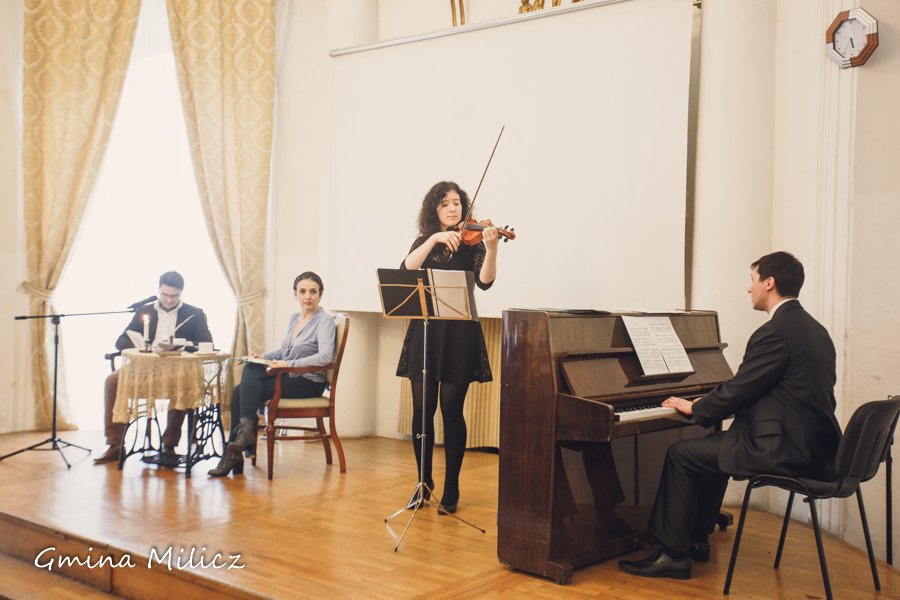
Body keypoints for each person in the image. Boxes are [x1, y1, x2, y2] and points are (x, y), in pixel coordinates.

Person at [618, 251, 842, 579]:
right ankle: (696, 540)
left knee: (682, 455)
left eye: (753, 280)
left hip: (783, 448)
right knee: (717, 448)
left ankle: (673, 555)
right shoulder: (815, 330)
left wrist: (696, 407)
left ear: (770, 282)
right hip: (810, 445)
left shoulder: (775, 332)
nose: (749, 288)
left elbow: (741, 388)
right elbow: (768, 389)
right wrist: (713, 401)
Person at [396, 181, 501, 514]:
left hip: (459, 335)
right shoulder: (424, 243)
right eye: (444, 204)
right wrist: (434, 239)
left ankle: (452, 487)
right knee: (422, 412)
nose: (452, 208)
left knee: (452, 411)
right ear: (434, 210)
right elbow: (405, 270)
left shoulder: (473, 243)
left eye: (456, 202)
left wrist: (492, 249)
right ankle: (423, 483)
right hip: (426, 333)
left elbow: (484, 282)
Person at [209, 272, 336, 477]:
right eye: (302, 291)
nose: (308, 296)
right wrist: (263, 357)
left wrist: (288, 364)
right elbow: (284, 350)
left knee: (242, 390)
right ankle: (242, 441)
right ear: (295, 294)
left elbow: (324, 358)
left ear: (321, 294)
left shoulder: (324, 322)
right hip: (288, 376)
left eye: (313, 292)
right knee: (245, 379)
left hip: (308, 382)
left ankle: (236, 451)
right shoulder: (295, 318)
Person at [94, 271, 213, 464]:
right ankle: (115, 445)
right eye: (165, 295)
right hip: (143, 368)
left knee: (184, 382)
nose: (168, 300)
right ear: (158, 290)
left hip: (176, 370)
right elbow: (121, 340)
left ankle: (169, 444)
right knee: (112, 381)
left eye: (174, 296)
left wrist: (184, 344)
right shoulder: (144, 310)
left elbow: (206, 342)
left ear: (181, 293)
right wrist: (141, 347)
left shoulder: (194, 313)